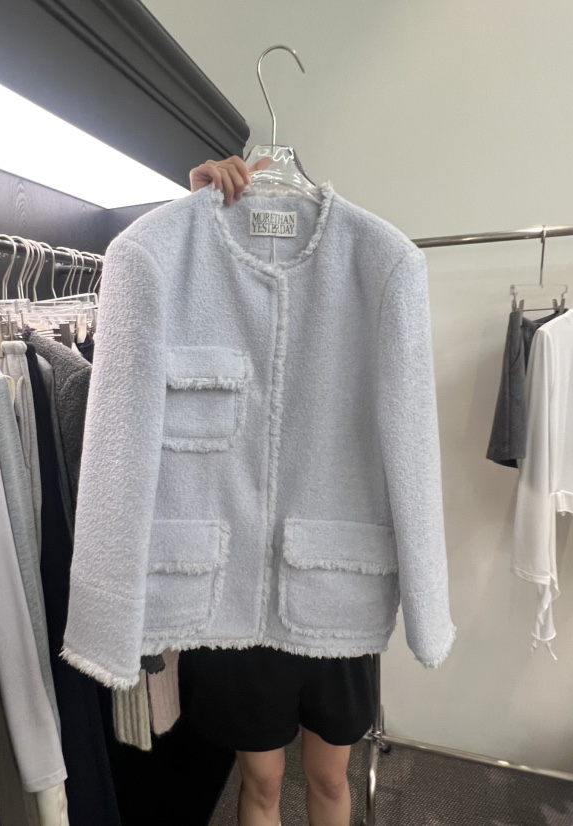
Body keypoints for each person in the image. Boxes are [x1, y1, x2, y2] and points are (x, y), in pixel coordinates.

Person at [181, 156, 376, 826]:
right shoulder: (210, 263)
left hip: (333, 572)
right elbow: (173, 298)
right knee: (261, 780)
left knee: (329, 775)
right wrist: (193, 213)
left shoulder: (359, 267)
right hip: (242, 578)